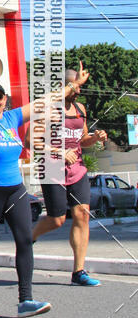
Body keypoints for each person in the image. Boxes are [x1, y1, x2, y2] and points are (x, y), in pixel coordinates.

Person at [0, 48, 89, 318]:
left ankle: (26, 300)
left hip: (15, 190)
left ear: (5, 99)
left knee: (25, 241)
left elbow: (46, 100)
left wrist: (73, 85)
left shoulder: (13, 118)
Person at [32, 65, 107, 286]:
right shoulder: (47, 108)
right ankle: (29, 238)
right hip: (52, 169)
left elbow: (81, 139)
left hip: (77, 169)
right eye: (76, 87)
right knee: (57, 220)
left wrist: (94, 138)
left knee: (82, 213)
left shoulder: (80, 109)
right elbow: (30, 141)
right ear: (63, 86)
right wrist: (58, 151)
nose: (79, 91)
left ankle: (79, 272)